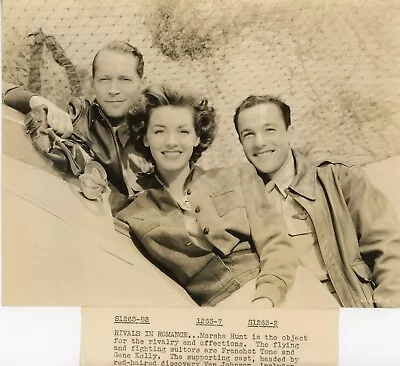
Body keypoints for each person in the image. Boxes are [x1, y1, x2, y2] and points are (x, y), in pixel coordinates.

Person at [115, 85, 298, 307]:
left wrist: (266, 298)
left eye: (183, 131)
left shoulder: (239, 176)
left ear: (196, 137)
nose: (171, 141)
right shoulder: (133, 215)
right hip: (218, 315)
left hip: (282, 294)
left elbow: (275, 242)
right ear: (145, 138)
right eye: (159, 131)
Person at [233, 95, 400, 308]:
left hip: (350, 307)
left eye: (270, 129)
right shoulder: (241, 200)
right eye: (248, 134)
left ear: (289, 133)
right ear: (240, 142)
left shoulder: (340, 181)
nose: (259, 142)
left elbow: (390, 252)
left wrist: (389, 317)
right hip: (290, 321)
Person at [3, 41, 151, 212]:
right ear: (92, 82)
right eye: (104, 79)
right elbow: (7, 93)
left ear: (141, 82)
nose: (113, 89)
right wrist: (39, 102)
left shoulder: (154, 128)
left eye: (124, 79)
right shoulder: (80, 117)